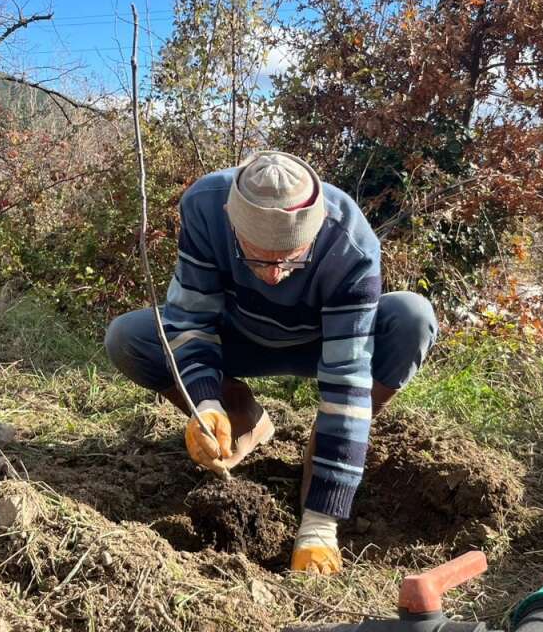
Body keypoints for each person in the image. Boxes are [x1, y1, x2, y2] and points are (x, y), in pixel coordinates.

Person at [105, 151, 437, 574]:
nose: (276, 275)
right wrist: (206, 404)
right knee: (130, 337)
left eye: (291, 259)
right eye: (259, 258)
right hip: (240, 334)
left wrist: (320, 522)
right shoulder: (206, 206)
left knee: (412, 317)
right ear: (232, 220)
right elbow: (191, 320)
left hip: (323, 340)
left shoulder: (349, 243)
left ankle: (327, 451)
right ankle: (241, 416)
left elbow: (348, 375)